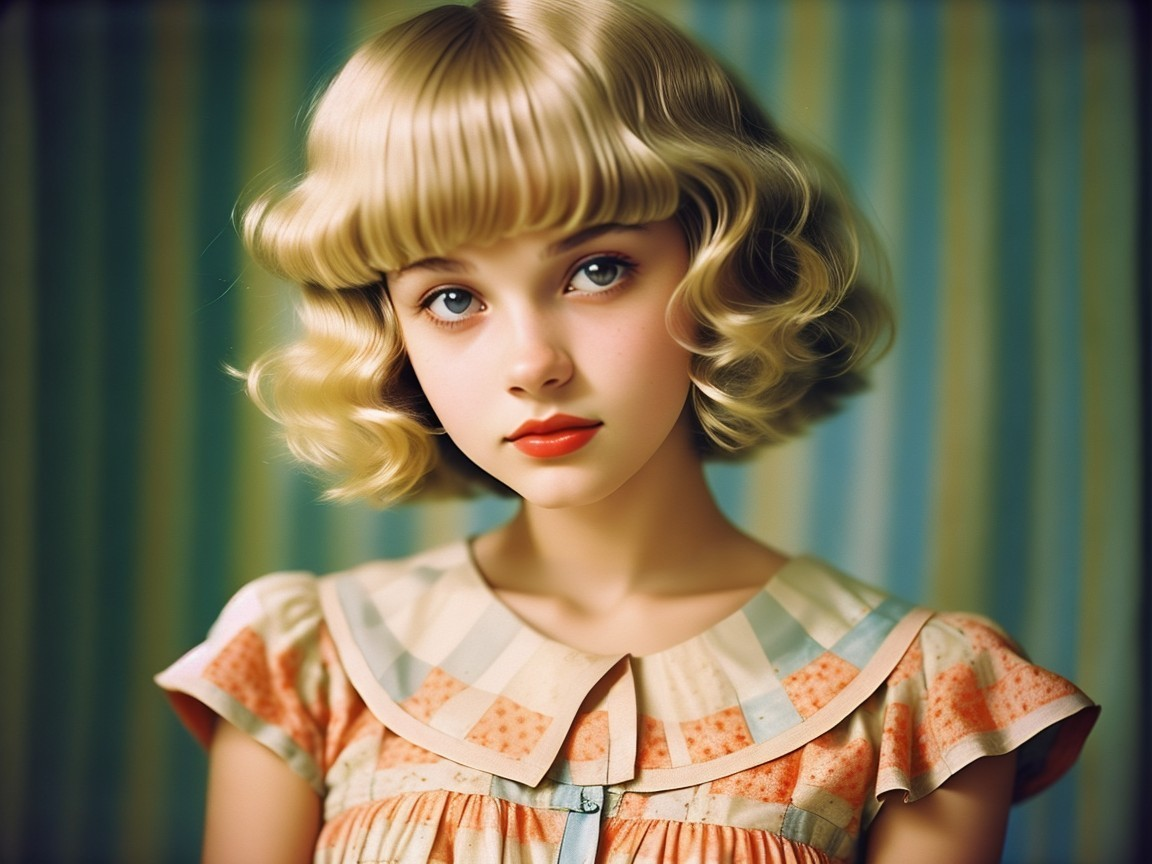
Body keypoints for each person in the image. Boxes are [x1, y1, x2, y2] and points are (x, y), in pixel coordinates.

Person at [156, 1, 1098, 861]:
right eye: (452, 297)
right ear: (389, 332)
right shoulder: (309, 662)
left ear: (722, 268)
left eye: (598, 270)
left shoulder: (921, 699)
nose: (532, 362)